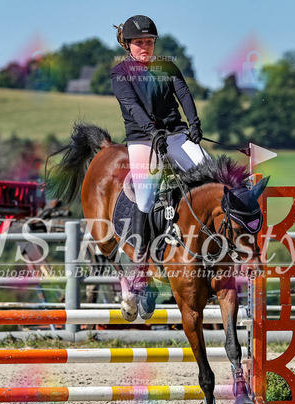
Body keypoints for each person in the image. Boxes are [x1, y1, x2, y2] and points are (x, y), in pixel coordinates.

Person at [111, 14, 208, 312]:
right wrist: (152, 131)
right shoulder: (120, 73)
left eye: (149, 42)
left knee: (211, 177)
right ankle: (140, 267)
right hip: (143, 139)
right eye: (139, 42)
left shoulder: (167, 67)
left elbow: (184, 93)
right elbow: (132, 107)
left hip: (176, 135)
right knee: (145, 196)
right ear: (128, 45)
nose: (145, 47)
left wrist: (194, 123)